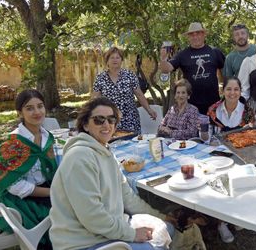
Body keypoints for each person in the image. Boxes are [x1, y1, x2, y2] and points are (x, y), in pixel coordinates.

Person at [49, 97, 173, 250]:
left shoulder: (106, 153)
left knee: (168, 228)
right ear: (86, 125)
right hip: (82, 242)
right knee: (154, 246)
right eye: (99, 120)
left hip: (106, 231)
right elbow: (92, 217)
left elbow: (127, 197)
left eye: (111, 119)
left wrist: (161, 216)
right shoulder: (80, 158)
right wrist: (132, 234)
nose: (106, 124)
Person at [0, 89, 57, 248]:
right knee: (56, 223)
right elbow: (14, 185)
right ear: (20, 112)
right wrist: (52, 192)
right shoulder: (12, 145)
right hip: (22, 199)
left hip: (46, 188)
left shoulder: (46, 136)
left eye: (40, 106)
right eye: (29, 108)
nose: (37, 112)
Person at [159, 22, 225, 115]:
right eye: (192, 34)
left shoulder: (214, 51)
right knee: (192, 129)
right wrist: (163, 59)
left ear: (203, 34)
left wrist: (225, 90)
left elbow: (223, 72)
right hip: (191, 105)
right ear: (188, 37)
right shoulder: (182, 54)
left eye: (198, 33)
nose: (195, 37)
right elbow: (166, 69)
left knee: (214, 128)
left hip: (213, 103)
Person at [92, 46, 157, 134]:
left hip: (130, 119)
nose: (115, 60)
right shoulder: (100, 78)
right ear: (107, 61)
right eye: (112, 58)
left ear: (121, 60)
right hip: (110, 121)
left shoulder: (130, 75)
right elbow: (95, 99)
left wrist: (149, 110)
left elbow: (139, 94)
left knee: (133, 145)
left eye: (117, 57)